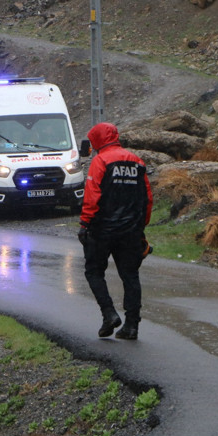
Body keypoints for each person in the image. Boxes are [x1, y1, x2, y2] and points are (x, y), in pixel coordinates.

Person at [79, 122, 153, 340]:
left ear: (98, 140)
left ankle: (109, 314)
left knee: (94, 272)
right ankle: (132, 325)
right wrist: (141, 227)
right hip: (130, 231)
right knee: (130, 276)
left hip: (102, 229)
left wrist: (85, 224)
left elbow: (92, 196)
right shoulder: (137, 162)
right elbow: (147, 198)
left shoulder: (100, 161)